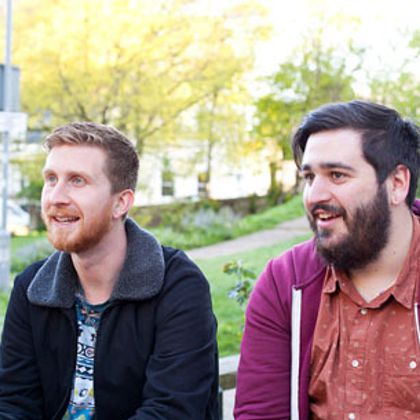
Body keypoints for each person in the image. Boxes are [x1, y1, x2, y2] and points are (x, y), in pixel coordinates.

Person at [0, 122, 219, 419]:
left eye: (77, 181)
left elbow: (171, 412)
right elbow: (13, 403)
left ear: (120, 203)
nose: (56, 197)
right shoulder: (32, 287)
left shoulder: (179, 286)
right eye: (51, 179)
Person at [234, 101, 420, 419]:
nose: (314, 196)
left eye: (336, 175)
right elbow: (260, 413)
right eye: (309, 178)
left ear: (396, 184)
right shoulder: (285, 283)